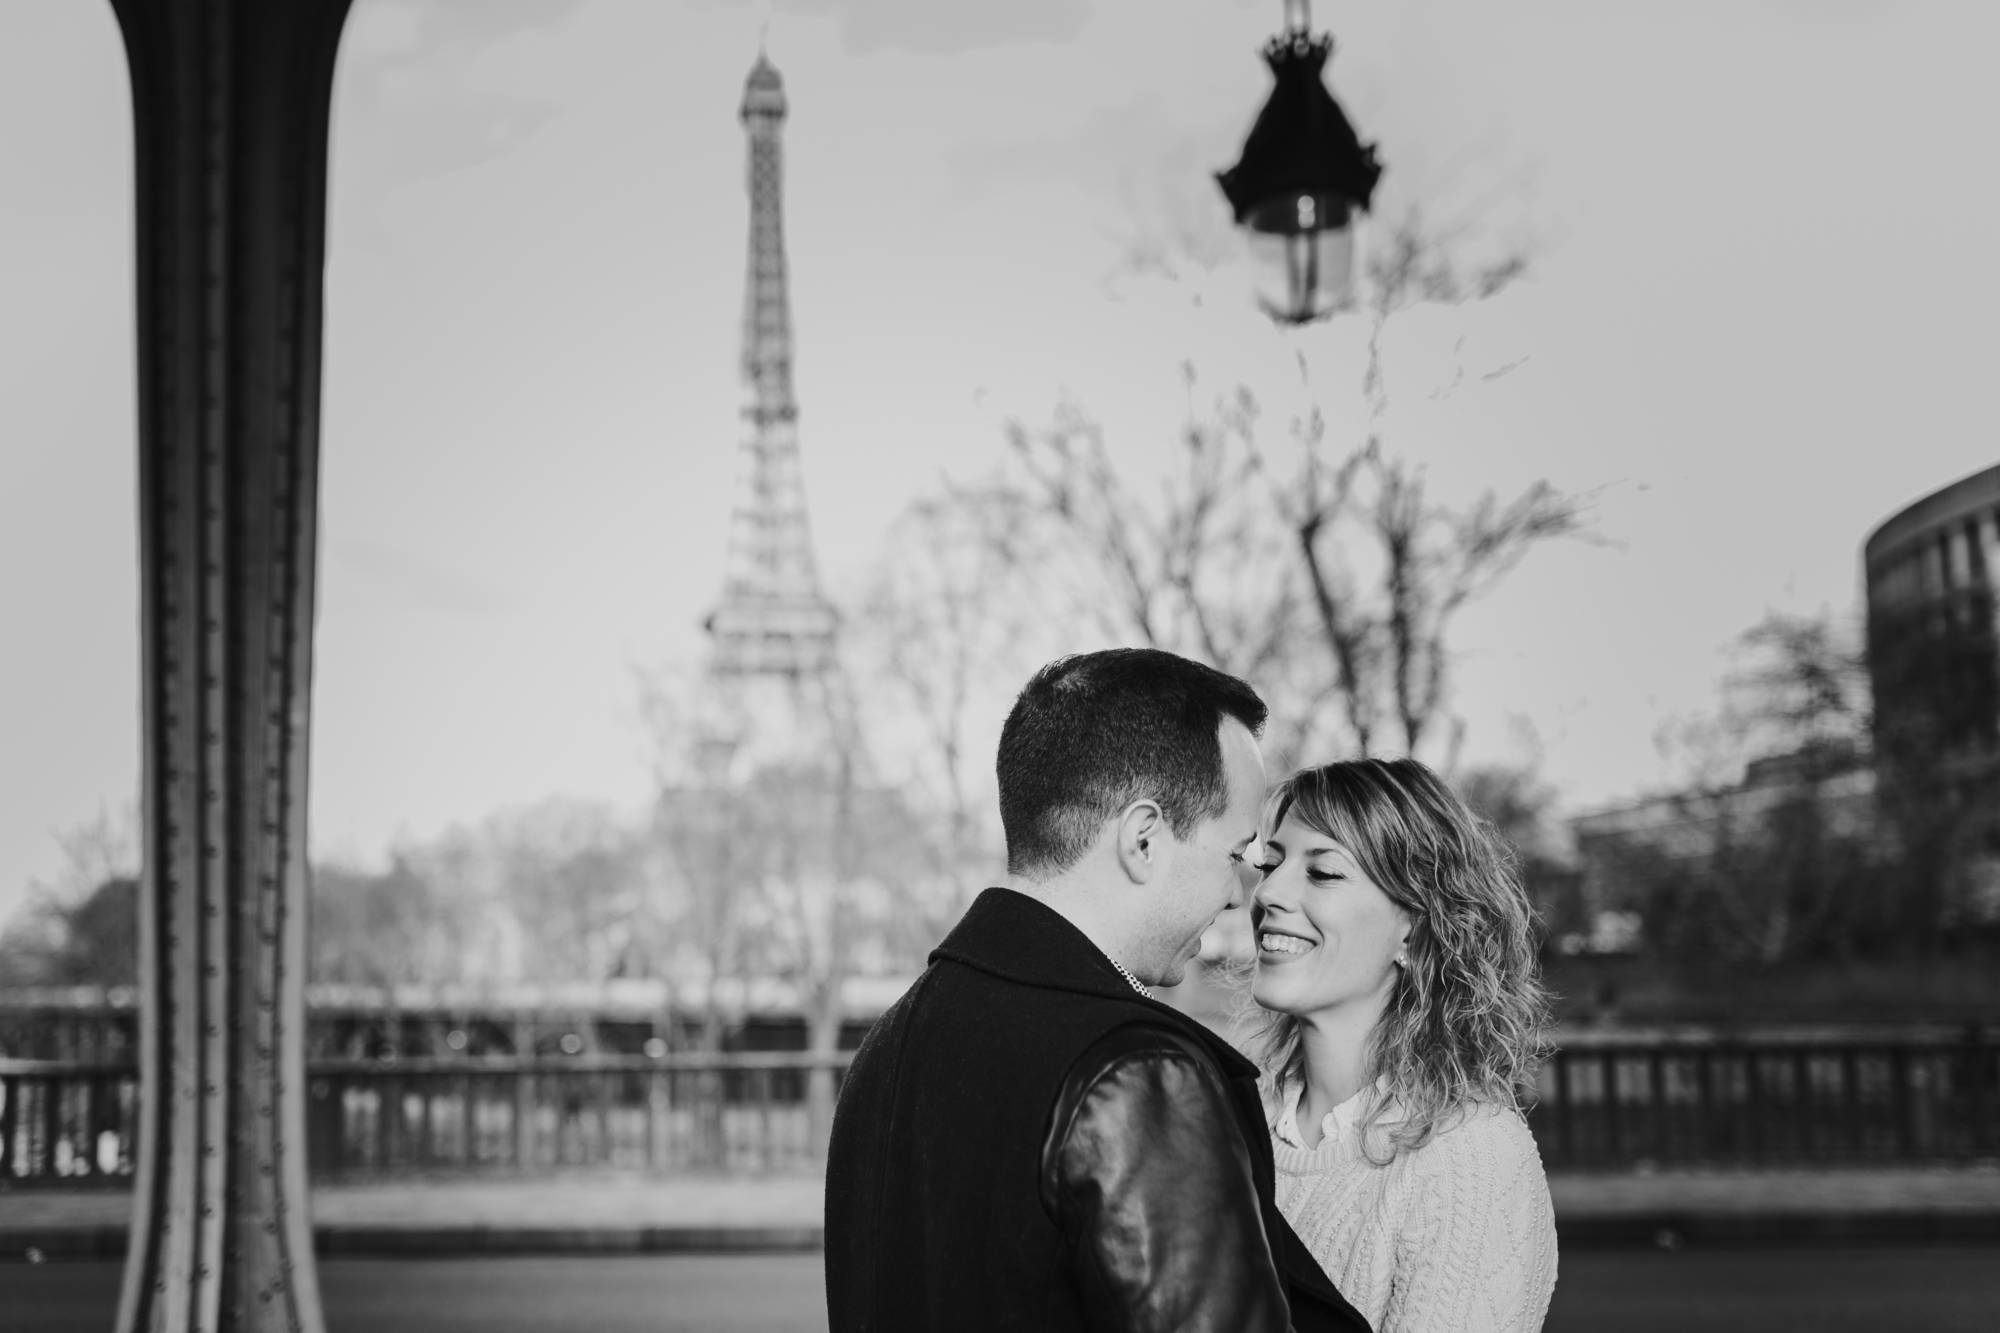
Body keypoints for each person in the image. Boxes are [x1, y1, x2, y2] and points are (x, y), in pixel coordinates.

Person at [825, 648, 1368, 1333]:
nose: (1242, 895)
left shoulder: (889, 1046)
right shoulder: (1137, 1069)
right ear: (1143, 840)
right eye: (1236, 854)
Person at [1249, 758, 1558, 1333]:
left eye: (1323, 873)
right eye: (1270, 863)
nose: (1268, 891)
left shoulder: (1470, 1158)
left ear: (1414, 929)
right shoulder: (1228, 1119)